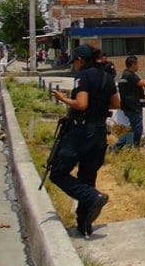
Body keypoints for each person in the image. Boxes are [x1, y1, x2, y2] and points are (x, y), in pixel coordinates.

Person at [49, 43, 119, 237]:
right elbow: (116, 104)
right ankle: (84, 224)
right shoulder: (107, 76)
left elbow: (81, 104)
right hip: (99, 132)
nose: (74, 65)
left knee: (57, 173)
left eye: (75, 62)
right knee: (87, 177)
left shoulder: (83, 76)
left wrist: (63, 98)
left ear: (80, 60)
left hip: (81, 132)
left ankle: (93, 197)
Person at [112, 55, 145, 150]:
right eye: (137, 64)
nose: (138, 66)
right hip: (133, 106)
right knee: (137, 128)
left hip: (127, 105)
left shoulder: (122, 75)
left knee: (134, 127)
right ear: (133, 64)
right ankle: (119, 146)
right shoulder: (130, 75)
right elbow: (144, 83)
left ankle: (128, 146)